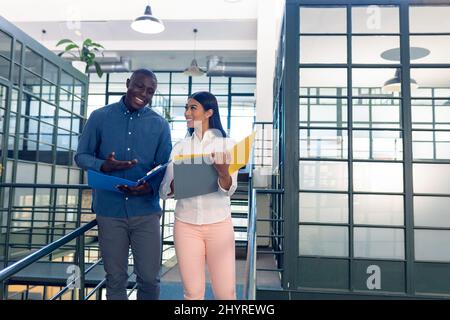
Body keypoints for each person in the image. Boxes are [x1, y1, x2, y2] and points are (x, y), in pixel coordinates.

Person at [75, 69, 172, 300]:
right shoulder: (99, 117)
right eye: (139, 86)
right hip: (109, 212)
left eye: (150, 91)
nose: (143, 94)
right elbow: (81, 156)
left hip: (145, 212)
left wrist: (148, 187)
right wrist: (102, 166)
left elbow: (165, 167)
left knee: (149, 278)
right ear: (128, 83)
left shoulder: (160, 125)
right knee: (115, 278)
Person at [159, 91, 238, 300]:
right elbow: (164, 190)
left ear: (208, 112)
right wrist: (180, 183)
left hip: (219, 224)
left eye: (192, 108)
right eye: (186, 108)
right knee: (192, 293)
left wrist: (222, 172)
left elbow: (229, 189)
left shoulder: (228, 145)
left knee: (226, 292)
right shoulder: (179, 148)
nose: (186, 113)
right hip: (185, 225)